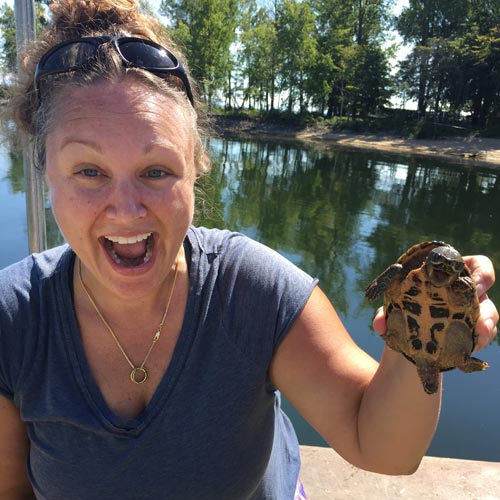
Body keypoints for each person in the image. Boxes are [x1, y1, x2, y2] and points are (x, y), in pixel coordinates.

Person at [0, 1, 497, 499]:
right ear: (44, 170)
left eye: (157, 171)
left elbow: (386, 449)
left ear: (197, 167)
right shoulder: (12, 318)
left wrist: (422, 344)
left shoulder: (254, 292)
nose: (126, 209)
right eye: (89, 172)